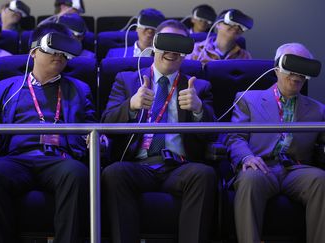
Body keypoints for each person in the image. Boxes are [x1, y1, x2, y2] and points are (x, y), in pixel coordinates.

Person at [0, 23, 96, 243]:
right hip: (16, 158)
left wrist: (95, 138)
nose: (59, 55)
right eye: (53, 48)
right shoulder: (6, 88)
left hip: (59, 159)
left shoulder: (80, 89)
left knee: (76, 173)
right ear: (33, 51)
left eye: (64, 51)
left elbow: (91, 124)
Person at [101, 20, 217, 243]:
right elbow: (106, 123)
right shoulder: (126, 80)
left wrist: (198, 110)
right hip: (138, 165)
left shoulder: (198, 87)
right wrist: (131, 106)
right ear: (154, 45)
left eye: (179, 45)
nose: (172, 51)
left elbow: (213, 134)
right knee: (114, 173)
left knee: (204, 174)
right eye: (166, 43)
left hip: (180, 167)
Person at [225, 43, 325, 243]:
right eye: (292, 67)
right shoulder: (248, 99)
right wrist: (246, 157)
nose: (297, 75)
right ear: (277, 68)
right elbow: (235, 137)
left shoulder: (318, 110)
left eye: (303, 70)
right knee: (249, 179)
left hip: (296, 169)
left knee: (321, 180)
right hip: (260, 165)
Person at [187, 9, 252, 64]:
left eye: (241, 26)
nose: (236, 27)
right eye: (231, 23)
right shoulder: (196, 49)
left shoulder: (245, 56)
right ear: (217, 24)